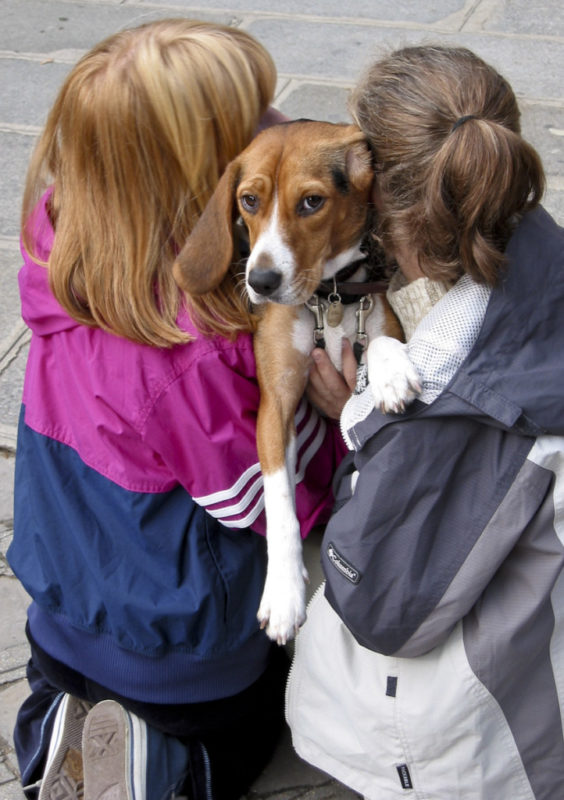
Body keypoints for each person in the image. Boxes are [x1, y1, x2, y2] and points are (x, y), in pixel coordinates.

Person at [8, 19, 346, 800]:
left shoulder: (58, 246)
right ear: (200, 176)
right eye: (256, 121)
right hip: (182, 655)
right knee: (256, 729)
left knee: (67, 681)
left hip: (62, 612)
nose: (280, 127)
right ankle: (161, 769)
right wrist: (328, 422)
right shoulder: (191, 359)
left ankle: (52, 727)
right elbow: (264, 500)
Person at [287, 44, 564, 800]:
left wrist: (352, 415)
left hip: (446, 738)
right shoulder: (539, 243)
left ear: (383, 198)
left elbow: (385, 599)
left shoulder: (440, 400)